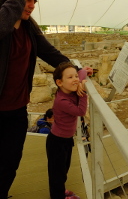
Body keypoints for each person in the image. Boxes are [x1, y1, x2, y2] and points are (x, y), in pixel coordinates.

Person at [0, 0, 92, 199]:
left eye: (34, 1)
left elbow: (51, 54)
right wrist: (17, 1)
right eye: (27, 0)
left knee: (11, 160)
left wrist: (76, 71)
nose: (31, 6)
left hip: (17, 109)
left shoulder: (29, 28)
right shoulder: (4, 18)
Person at [46, 62, 88, 199]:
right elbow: (80, 111)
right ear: (59, 82)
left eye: (75, 76)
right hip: (57, 142)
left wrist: (85, 71)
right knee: (56, 175)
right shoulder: (62, 101)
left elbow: (81, 72)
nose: (75, 79)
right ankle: (57, 196)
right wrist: (83, 92)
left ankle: (61, 191)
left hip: (66, 139)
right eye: (70, 78)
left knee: (63, 170)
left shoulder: (68, 89)